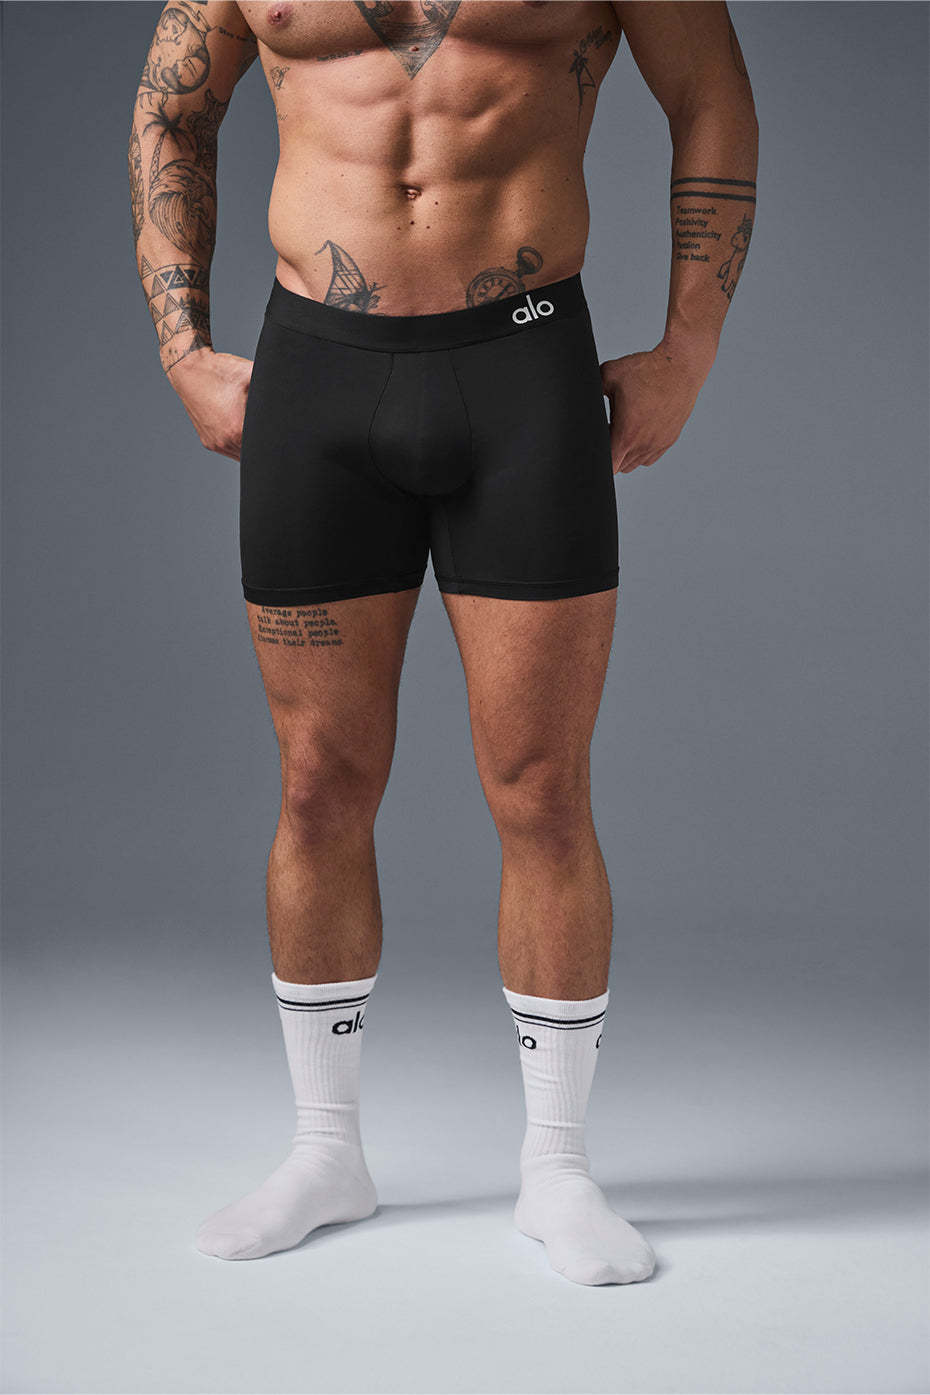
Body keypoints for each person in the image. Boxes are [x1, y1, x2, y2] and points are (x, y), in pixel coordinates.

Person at [129, 0, 757, 1286]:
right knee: (319, 782)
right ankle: (325, 1151)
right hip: (319, 372)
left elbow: (711, 94)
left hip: (522, 373)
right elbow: (173, 110)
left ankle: (559, 1170)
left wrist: (690, 344)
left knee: (540, 786)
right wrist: (181, 347)